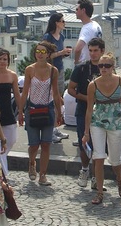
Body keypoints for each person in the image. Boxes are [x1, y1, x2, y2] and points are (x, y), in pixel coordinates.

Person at [83, 52, 121, 204]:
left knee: (115, 159)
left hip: (116, 121)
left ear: (113, 66)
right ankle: (99, 192)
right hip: (98, 121)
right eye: (101, 66)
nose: (103, 68)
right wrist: (86, 132)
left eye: (107, 65)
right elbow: (89, 109)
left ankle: (119, 179)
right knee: (98, 156)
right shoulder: (93, 85)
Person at [19, 41, 62, 186]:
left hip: (47, 108)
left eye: (43, 52)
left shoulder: (53, 71)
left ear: (48, 55)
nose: (40, 54)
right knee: (33, 144)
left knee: (46, 144)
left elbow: (56, 93)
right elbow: (25, 92)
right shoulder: (29, 70)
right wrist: (20, 111)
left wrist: (59, 112)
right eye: (37, 51)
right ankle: (32, 163)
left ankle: (43, 174)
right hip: (32, 108)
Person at [68, 37, 105, 189]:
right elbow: (71, 89)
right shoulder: (81, 68)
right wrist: (87, 98)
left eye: (96, 50)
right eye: (90, 50)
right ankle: (84, 169)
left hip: (102, 111)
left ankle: (96, 177)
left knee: (99, 145)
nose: (93, 54)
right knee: (84, 143)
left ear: (102, 51)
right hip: (83, 110)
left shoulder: (107, 67)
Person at [0, 49, 20, 175]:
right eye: (0, 59)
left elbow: (17, 95)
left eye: (5, 59)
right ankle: (3, 174)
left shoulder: (12, 75)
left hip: (8, 112)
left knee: (11, 139)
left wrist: (21, 110)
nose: (2, 61)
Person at [42, 13, 72, 143]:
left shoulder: (62, 37)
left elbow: (57, 55)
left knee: (58, 99)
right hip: (50, 71)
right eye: (62, 21)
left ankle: (55, 127)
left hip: (59, 69)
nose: (64, 23)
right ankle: (50, 131)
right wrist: (61, 52)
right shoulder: (48, 37)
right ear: (56, 23)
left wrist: (63, 54)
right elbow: (46, 55)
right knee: (51, 100)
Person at [73, 0, 102, 65]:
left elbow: (78, 49)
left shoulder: (87, 29)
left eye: (77, 9)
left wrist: (76, 62)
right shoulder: (96, 25)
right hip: (97, 62)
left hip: (86, 64)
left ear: (83, 10)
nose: (75, 12)